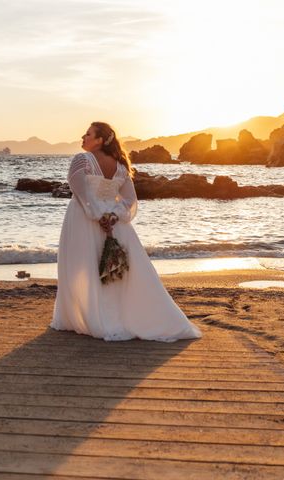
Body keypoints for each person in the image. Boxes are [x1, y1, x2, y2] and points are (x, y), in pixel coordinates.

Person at [51, 122, 203, 342]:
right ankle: (115, 316)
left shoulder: (82, 160)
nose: (82, 137)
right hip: (114, 223)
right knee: (115, 273)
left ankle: (87, 317)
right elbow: (130, 200)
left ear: (100, 140)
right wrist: (114, 216)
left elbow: (79, 189)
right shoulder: (121, 165)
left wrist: (96, 214)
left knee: (80, 266)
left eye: (88, 134)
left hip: (84, 219)